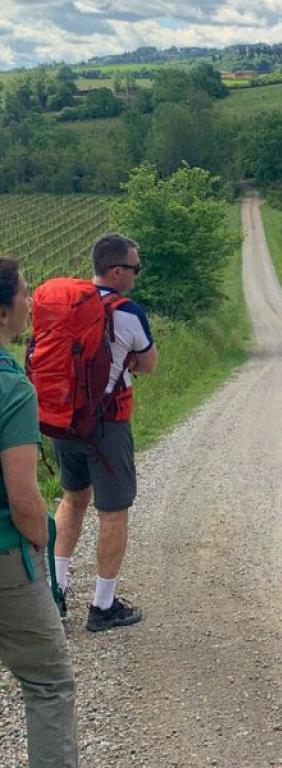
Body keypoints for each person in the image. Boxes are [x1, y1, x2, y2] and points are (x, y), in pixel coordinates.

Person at [53, 233, 158, 632]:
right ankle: (103, 605)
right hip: (107, 426)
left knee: (72, 499)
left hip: (63, 420)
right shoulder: (127, 312)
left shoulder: (67, 304)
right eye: (134, 268)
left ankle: (56, 592)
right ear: (116, 271)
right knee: (113, 512)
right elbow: (149, 365)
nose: (137, 274)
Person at [0, 257, 78, 767]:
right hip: (6, 556)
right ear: (2, 311)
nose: (30, 302)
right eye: (24, 293)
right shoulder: (12, 389)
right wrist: (39, 539)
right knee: (48, 682)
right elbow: (24, 499)